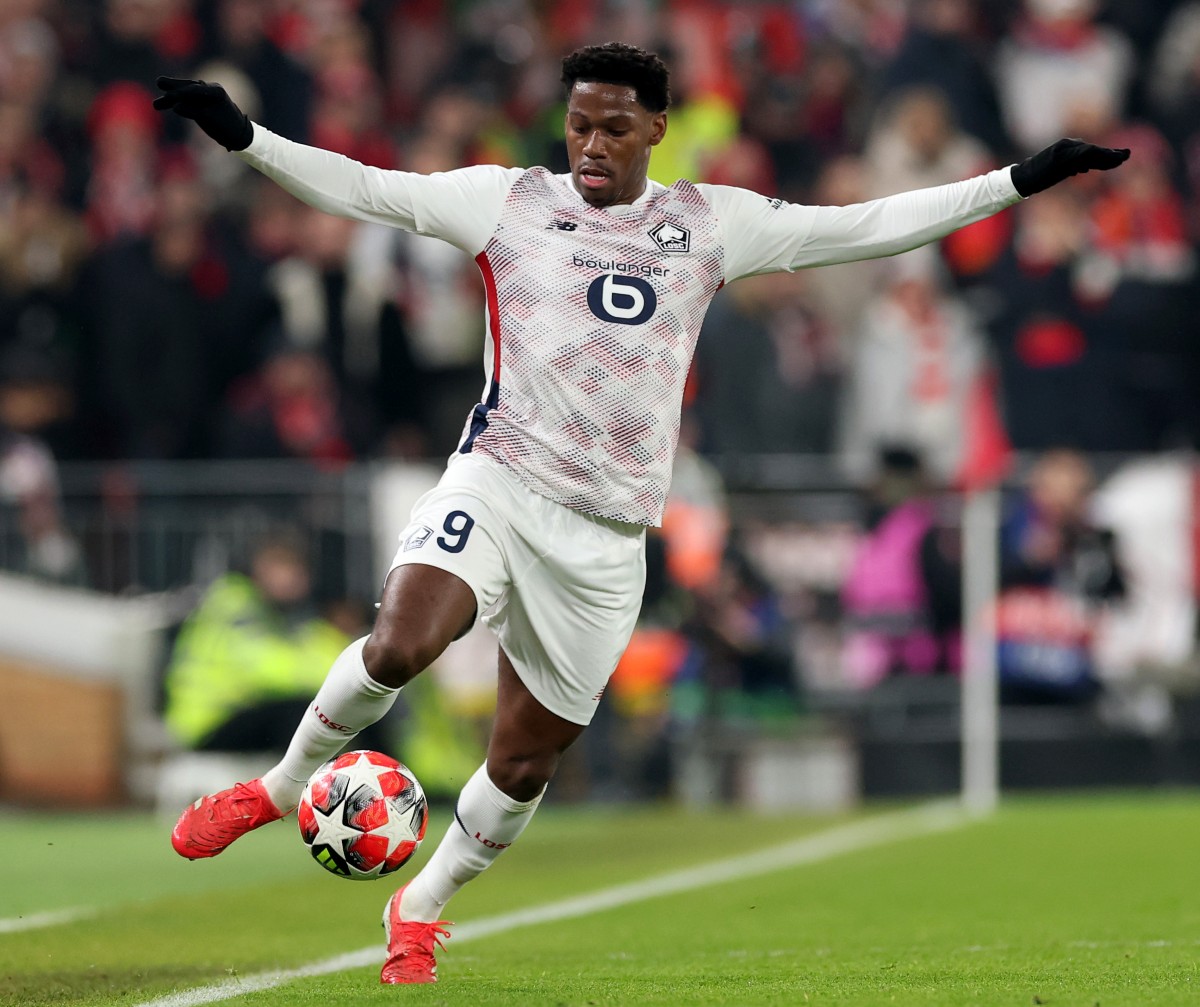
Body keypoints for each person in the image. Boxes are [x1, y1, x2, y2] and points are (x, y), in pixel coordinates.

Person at [152, 42, 1128, 985]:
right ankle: (275, 789)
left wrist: (1021, 179)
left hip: (608, 538)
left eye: (613, 128)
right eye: (577, 125)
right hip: (499, 480)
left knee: (524, 760)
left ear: (656, 128)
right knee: (401, 643)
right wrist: (245, 137)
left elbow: (867, 224)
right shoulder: (507, 202)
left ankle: (419, 906)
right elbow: (367, 188)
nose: (590, 145)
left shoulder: (710, 222)